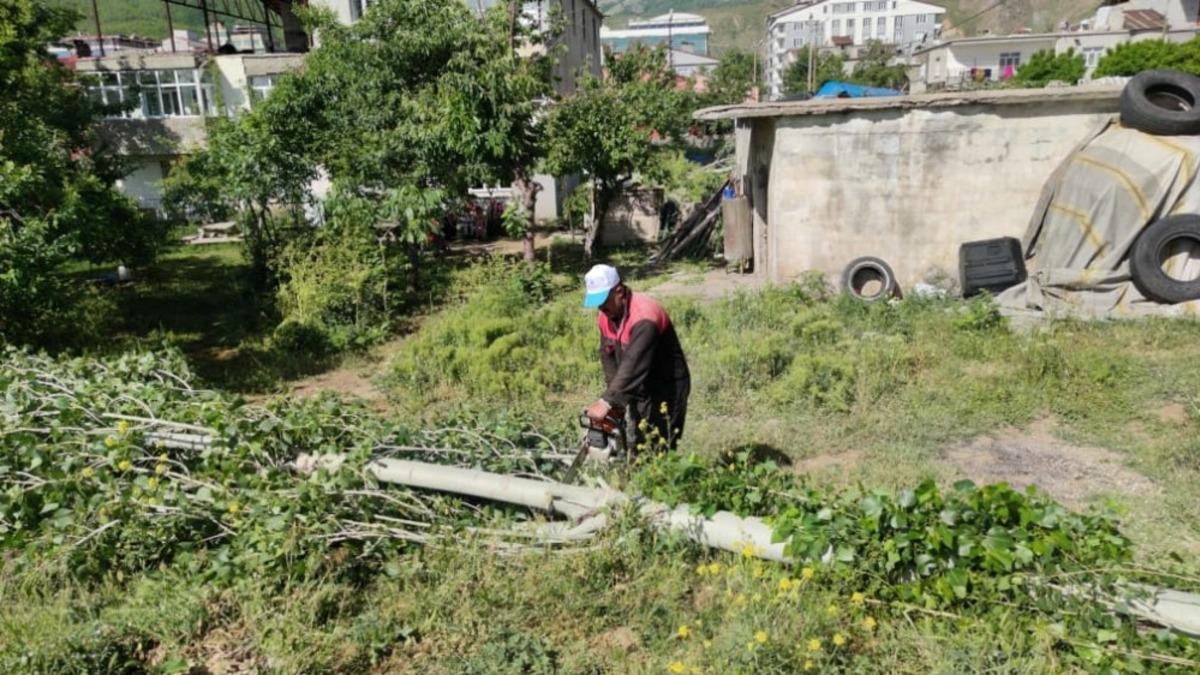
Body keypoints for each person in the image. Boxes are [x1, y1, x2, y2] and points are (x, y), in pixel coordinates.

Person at [582, 264, 690, 451]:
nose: (601, 308)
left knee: (661, 443)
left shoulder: (645, 317)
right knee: (638, 439)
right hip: (638, 385)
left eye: (604, 301)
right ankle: (637, 470)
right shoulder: (606, 316)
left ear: (619, 292)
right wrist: (615, 403)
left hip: (666, 387)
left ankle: (664, 477)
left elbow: (634, 363)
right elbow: (608, 358)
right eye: (597, 303)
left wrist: (607, 401)